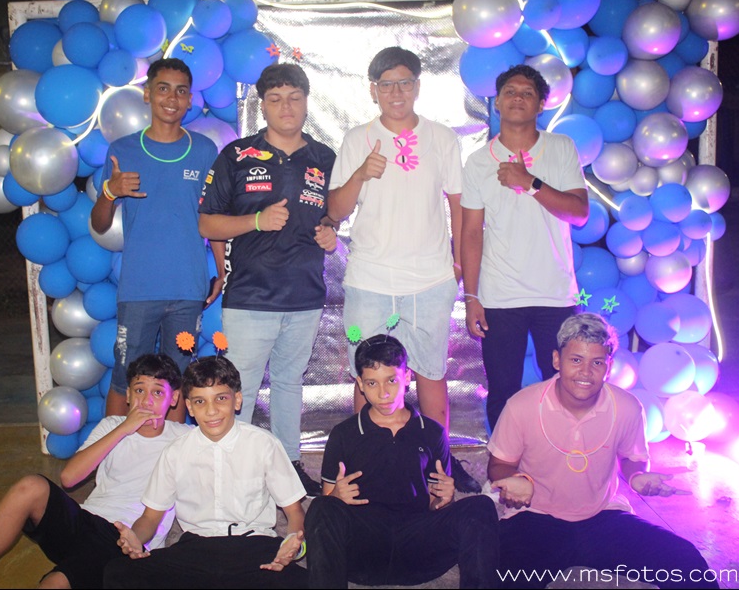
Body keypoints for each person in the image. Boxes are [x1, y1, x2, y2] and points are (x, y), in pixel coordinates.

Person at [327, 46, 478, 492]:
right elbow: (334, 210)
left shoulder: (441, 138)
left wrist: (457, 262)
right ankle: (363, 465)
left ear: (417, 86)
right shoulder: (357, 138)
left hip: (430, 279)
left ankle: (440, 465)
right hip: (370, 278)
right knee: (365, 374)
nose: (396, 92)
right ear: (373, 90)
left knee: (431, 372)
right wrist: (360, 174)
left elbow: (458, 204)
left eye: (405, 82)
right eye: (387, 84)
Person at [488, 313, 717, 589]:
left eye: (597, 362)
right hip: (534, 517)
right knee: (492, 576)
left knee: (686, 562)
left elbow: (632, 458)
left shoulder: (627, 407)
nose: (586, 372)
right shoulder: (522, 405)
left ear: (609, 367)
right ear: (557, 360)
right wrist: (517, 480)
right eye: (576, 360)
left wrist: (636, 476)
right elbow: (498, 464)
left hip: (602, 516)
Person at [198, 63, 337, 495]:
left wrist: (330, 229)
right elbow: (207, 223)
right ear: (262, 106)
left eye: (294, 98)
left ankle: (288, 465)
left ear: (306, 102)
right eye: (275, 99)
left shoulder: (325, 158)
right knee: (237, 388)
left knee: (289, 384)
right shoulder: (237, 155)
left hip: (305, 295)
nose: (286, 107)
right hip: (250, 297)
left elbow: (333, 212)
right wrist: (256, 220)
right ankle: (231, 472)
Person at [0, 354, 190, 589]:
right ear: (128, 395)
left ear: (174, 398)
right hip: (86, 521)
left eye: (157, 393)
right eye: (139, 390)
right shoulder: (111, 426)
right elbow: (69, 478)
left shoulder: (183, 439)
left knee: (55, 583)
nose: (146, 401)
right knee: (30, 486)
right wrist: (124, 429)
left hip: (124, 539)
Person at [304, 334, 499, 588]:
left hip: (418, 543)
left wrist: (444, 499)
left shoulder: (431, 432)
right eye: (372, 383)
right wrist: (337, 497)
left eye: (391, 380)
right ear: (360, 384)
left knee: (480, 507)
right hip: (363, 548)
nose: (383, 393)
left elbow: (435, 504)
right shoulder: (344, 434)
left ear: (407, 377)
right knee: (320, 507)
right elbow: (328, 504)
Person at [104, 356, 308, 589]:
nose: (211, 411)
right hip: (195, 550)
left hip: (255, 548)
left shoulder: (264, 444)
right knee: (118, 573)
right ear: (190, 407)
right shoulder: (175, 451)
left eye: (221, 398)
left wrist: (292, 543)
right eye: (200, 401)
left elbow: (294, 511)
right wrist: (135, 537)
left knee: (306, 582)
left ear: (237, 400)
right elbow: (150, 518)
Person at [460, 64, 589, 432]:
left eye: (527, 93)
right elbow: (471, 233)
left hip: (555, 293)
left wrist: (530, 182)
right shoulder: (479, 161)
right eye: (510, 92)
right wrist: (471, 296)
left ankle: (562, 455)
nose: (518, 98)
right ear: (497, 103)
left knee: (563, 386)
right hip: (500, 296)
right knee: (503, 391)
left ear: (541, 105)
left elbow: (579, 213)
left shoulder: (561, 148)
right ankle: (504, 462)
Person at [91, 57, 221, 422]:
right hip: (139, 289)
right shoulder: (123, 150)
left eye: (181, 91)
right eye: (163, 89)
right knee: (126, 379)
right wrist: (110, 192)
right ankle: (114, 454)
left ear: (190, 100)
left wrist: (222, 271)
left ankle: (172, 455)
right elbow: (100, 225)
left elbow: (213, 218)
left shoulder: (204, 151)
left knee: (177, 382)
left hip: (187, 289)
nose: (171, 98)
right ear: (147, 94)